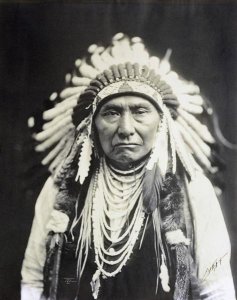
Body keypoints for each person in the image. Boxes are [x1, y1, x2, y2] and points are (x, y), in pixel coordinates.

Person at [21, 33, 236, 300]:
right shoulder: (61, 189)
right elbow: (32, 281)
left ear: (162, 122)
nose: (125, 129)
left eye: (140, 111)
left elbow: (216, 289)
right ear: (91, 125)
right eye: (111, 112)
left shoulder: (192, 189)